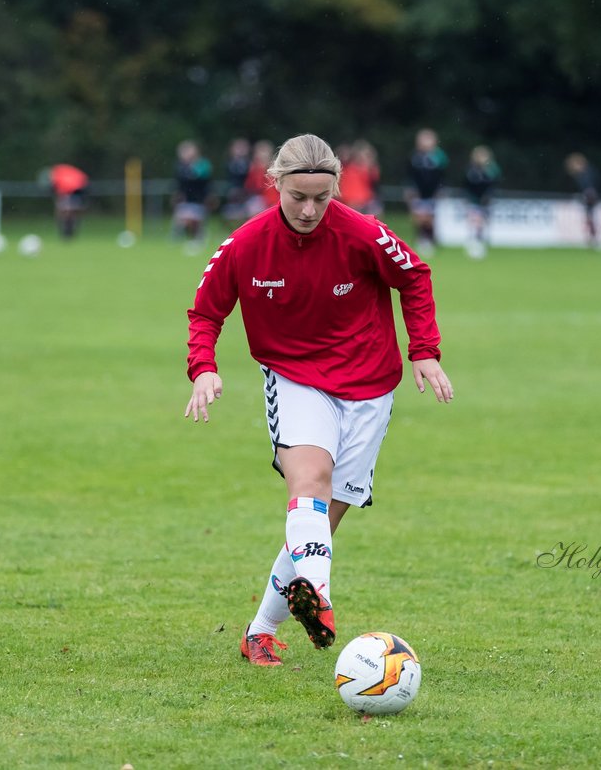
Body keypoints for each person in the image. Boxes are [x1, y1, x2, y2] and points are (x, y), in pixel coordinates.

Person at [183, 133, 454, 667]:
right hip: (294, 378)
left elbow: (415, 276)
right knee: (308, 484)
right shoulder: (244, 244)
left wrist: (424, 350)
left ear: (335, 191)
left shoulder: (363, 233)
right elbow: (205, 312)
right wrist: (204, 368)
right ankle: (319, 593)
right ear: (274, 184)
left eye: (321, 198)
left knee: (317, 528)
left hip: (371, 384)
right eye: (297, 197)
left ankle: (260, 631)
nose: (309, 210)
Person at [407, 128, 448, 255]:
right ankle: (421, 239)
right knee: (418, 217)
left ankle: (430, 240)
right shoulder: (415, 157)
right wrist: (410, 189)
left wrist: (441, 189)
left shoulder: (439, 157)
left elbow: (443, 175)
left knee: (430, 217)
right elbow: (410, 175)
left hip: (432, 193)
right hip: (418, 193)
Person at [173, 140, 213, 249]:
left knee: (196, 221)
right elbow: (180, 183)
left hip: (199, 198)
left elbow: (202, 180)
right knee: (184, 220)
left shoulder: (202, 164)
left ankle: (198, 240)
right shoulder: (181, 167)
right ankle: (191, 239)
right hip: (187, 199)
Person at [464, 145, 501, 259]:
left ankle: (481, 242)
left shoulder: (492, 169)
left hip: (486, 202)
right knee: (475, 222)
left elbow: (494, 185)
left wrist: (489, 196)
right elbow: (467, 185)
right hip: (474, 201)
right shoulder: (471, 170)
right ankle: (473, 242)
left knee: (484, 222)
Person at [564, 152, 601, 248]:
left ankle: (593, 239)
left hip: (590, 199)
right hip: (589, 199)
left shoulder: (586, 174)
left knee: (590, 219)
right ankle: (592, 239)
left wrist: (588, 195)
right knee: (589, 219)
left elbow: (590, 188)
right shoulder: (584, 174)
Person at [339, 139, 381, 216]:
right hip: (351, 201)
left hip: (364, 200)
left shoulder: (370, 169)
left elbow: (374, 180)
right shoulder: (347, 167)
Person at [47, 163, 89, 240]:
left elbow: (58, 188)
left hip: (73, 192)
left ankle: (67, 232)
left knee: (65, 213)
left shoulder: (58, 174)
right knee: (69, 213)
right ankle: (68, 232)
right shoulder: (64, 172)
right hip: (76, 192)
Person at [242, 140, 281, 218]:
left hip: (273, 199)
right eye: (259, 152)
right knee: (253, 207)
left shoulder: (275, 168)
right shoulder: (254, 169)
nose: (261, 155)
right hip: (259, 198)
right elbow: (250, 186)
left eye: (264, 152)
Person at [220, 138, 253, 226]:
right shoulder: (230, 163)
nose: (240, 151)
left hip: (247, 192)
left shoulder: (250, 164)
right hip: (233, 192)